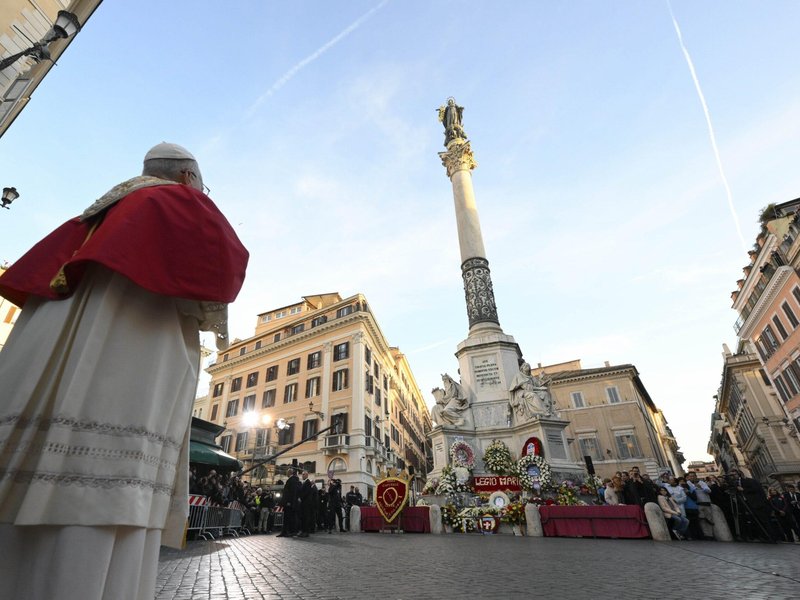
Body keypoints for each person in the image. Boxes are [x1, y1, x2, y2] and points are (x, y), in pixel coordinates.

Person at [0, 143, 248, 600]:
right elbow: (226, 263)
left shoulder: (93, 218)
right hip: (131, 349)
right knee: (107, 494)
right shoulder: (178, 203)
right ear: (189, 179)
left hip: (47, 358)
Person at [297, 471, 314, 538]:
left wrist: (300, 498)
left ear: (307, 475)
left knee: (306, 518)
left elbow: (306, 493)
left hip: (306, 503)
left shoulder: (307, 482)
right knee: (303, 518)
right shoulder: (305, 482)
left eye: (303, 474)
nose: (302, 476)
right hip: (304, 503)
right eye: (302, 474)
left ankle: (306, 532)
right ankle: (303, 531)